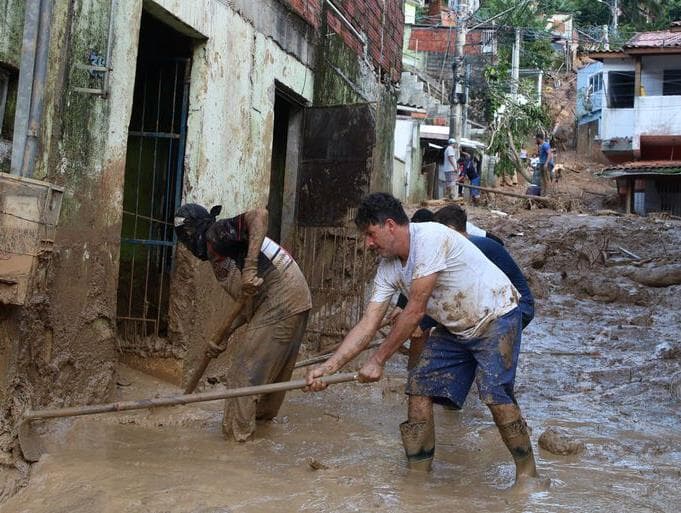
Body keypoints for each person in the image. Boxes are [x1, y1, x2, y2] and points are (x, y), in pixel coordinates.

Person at [305, 193, 539, 488]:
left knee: (494, 394)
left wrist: (378, 361)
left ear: (389, 225)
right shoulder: (388, 268)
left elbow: (415, 311)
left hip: (497, 316)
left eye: (370, 234)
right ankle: (417, 476)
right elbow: (368, 322)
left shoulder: (430, 238)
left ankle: (528, 474)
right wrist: (328, 367)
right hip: (454, 327)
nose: (368, 243)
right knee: (418, 388)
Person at [174, 204, 312, 441]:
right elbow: (248, 302)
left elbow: (259, 214)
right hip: (295, 297)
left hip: (281, 295)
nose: (187, 246)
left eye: (185, 239)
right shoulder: (224, 249)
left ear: (191, 230)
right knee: (271, 374)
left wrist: (249, 268)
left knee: (241, 373)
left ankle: (237, 444)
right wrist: (224, 335)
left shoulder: (215, 233)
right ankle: (262, 431)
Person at [433, 205, 534, 328]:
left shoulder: (472, 247)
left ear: (450, 229)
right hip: (503, 305)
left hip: (516, 307)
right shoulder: (472, 244)